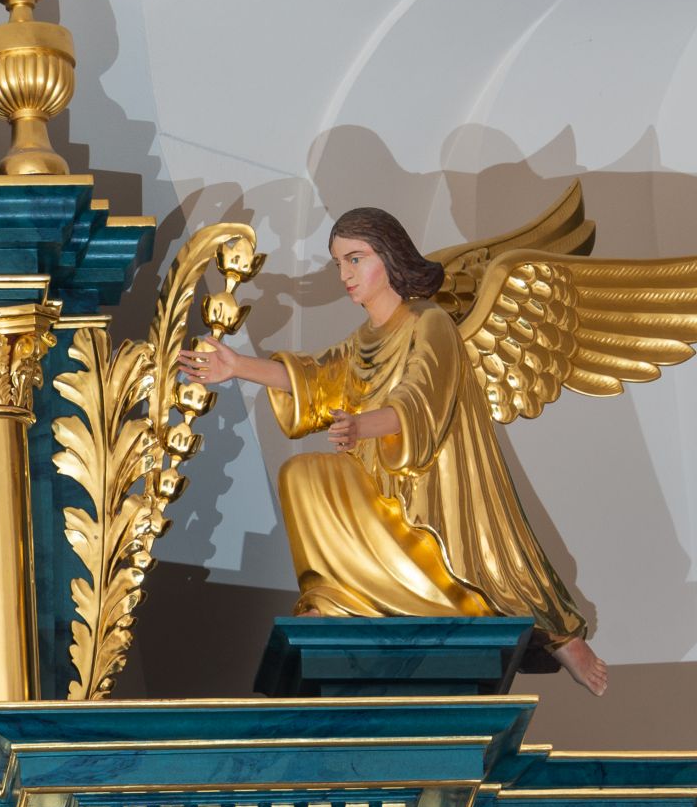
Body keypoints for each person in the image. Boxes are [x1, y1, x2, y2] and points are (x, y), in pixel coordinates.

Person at [184, 208, 606, 695]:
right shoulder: (363, 340)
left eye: (355, 259)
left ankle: (560, 636)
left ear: (389, 257)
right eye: (338, 262)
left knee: (497, 577)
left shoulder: (430, 323)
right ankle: (335, 599)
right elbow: (317, 377)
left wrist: (362, 425)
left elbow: (420, 402)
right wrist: (237, 366)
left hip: (429, 495)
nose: (344, 274)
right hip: (378, 486)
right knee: (300, 475)